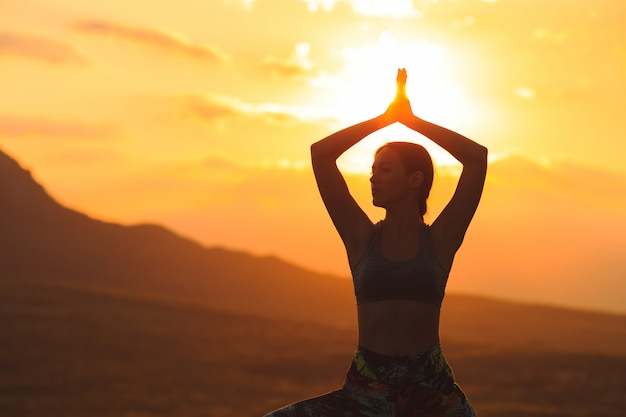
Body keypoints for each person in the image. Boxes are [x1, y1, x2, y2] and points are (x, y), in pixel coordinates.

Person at [264, 69, 487, 417]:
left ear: (415, 179)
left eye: (385, 169)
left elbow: (476, 158)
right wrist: (385, 119)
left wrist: (411, 121)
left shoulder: (441, 240)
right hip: (365, 392)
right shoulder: (360, 237)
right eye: (373, 169)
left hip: (431, 395)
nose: (372, 177)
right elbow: (321, 155)